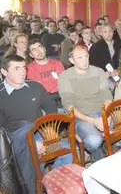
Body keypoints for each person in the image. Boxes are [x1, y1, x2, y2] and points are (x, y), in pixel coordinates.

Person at [58, 45, 121, 162]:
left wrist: (107, 116)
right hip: (83, 118)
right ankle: (98, 151)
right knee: (94, 141)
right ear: (71, 60)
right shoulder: (65, 77)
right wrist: (94, 121)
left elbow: (106, 95)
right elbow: (70, 107)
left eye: (86, 56)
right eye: (80, 58)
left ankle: (117, 143)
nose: (84, 60)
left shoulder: (97, 71)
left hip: (104, 112)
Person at [0, 55, 72, 194]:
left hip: (40, 132)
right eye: (16, 68)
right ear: (4, 72)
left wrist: (48, 136)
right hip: (16, 139)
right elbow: (3, 133)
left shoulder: (35, 86)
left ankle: (55, 186)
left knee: (66, 152)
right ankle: (35, 188)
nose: (22, 72)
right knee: (32, 154)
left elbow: (51, 113)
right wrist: (32, 141)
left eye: (23, 68)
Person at [27, 39, 65, 112]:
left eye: (39, 47)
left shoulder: (57, 63)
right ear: (31, 55)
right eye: (34, 50)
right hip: (44, 102)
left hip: (61, 97)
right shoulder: (29, 69)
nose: (38, 51)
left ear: (44, 49)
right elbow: (35, 91)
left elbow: (63, 83)